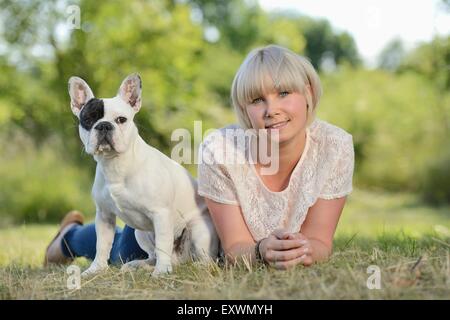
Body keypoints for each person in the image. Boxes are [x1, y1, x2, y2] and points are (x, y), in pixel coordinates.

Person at [44, 44, 354, 270]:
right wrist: (260, 251)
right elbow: (234, 250)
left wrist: (304, 250)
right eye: (257, 99)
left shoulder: (335, 147)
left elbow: (320, 242)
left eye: (284, 93)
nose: (271, 109)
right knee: (122, 248)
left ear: (310, 92)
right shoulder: (220, 150)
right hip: (176, 235)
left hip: (202, 245)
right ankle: (67, 239)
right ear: (243, 107)